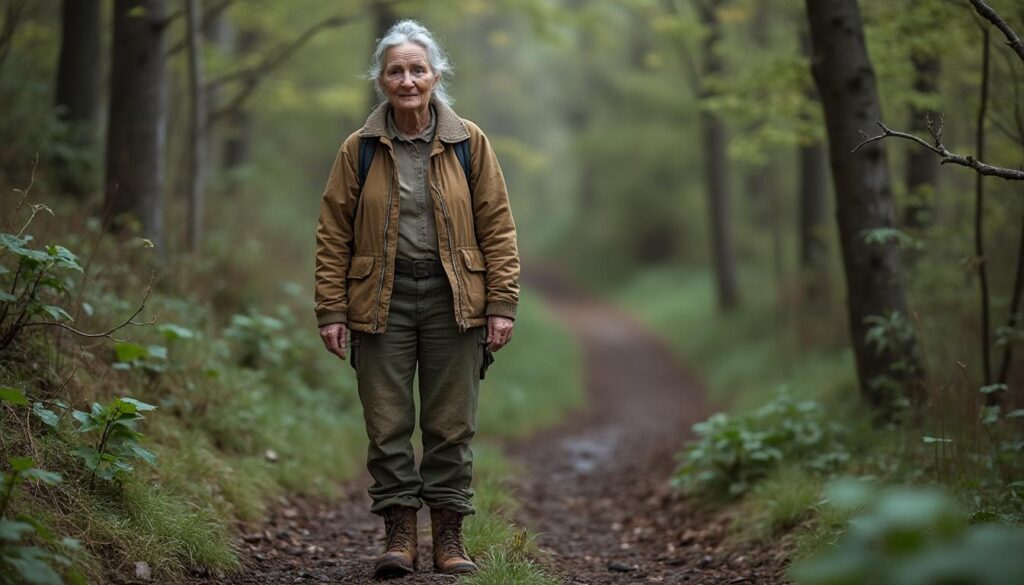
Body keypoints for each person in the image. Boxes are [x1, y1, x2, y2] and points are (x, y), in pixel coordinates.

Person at [313, 19, 519, 578]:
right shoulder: (358, 149)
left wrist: (501, 303)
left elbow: (497, 225)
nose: (407, 80)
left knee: (452, 425)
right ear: (380, 80)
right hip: (381, 299)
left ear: (436, 76)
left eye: (417, 69)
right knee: (387, 424)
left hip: (457, 300)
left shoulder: (467, 142)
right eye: (396, 70)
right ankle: (399, 537)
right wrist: (332, 310)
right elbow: (334, 231)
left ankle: (448, 540)